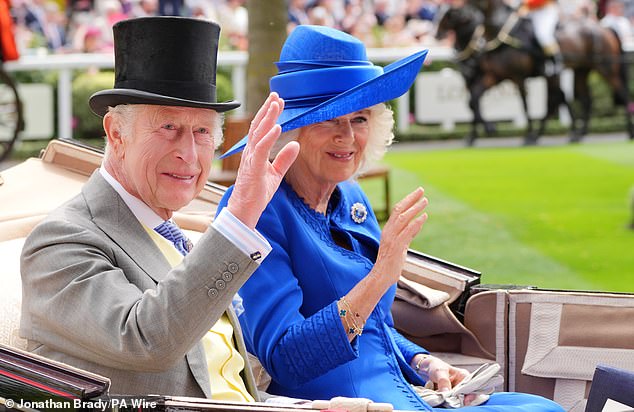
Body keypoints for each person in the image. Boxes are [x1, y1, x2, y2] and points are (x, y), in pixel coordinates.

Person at [218, 25, 566, 412]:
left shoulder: (349, 196)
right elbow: (286, 359)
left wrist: (421, 361)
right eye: (328, 120)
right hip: (342, 405)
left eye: (360, 119)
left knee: (538, 406)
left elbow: (372, 329)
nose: (347, 137)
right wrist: (382, 274)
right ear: (292, 129)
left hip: (398, 389)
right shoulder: (255, 209)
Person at [19, 16, 299, 399]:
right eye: (168, 128)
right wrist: (239, 219)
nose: (188, 154)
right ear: (117, 134)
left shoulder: (175, 235)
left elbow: (224, 382)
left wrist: (305, 407)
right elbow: (146, 339)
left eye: (202, 132)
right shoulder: (61, 241)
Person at [520, 0, 563, 76]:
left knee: (543, 35)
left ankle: (555, 61)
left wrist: (526, 4)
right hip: (532, 12)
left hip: (546, 11)